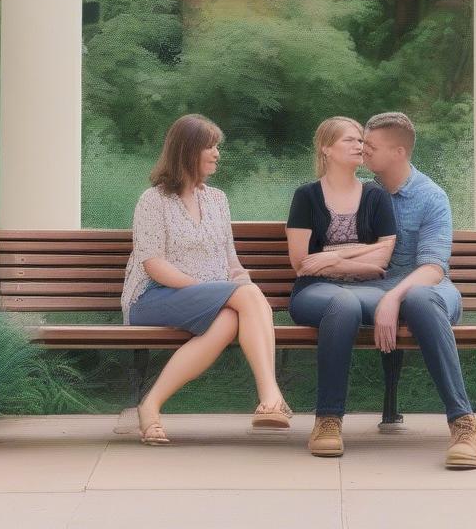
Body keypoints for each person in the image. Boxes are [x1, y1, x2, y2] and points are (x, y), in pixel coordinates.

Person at [121, 113, 292, 445]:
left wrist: (236, 280)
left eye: (217, 147)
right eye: (210, 147)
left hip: (210, 300)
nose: (217, 154)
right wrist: (208, 291)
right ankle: (271, 397)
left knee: (234, 312)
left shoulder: (217, 200)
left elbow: (229, 258)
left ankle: (150, 405)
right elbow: (153, 264)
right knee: (242, 297)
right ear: (187, 150)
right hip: (155, 297)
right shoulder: (153, 200)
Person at [361, 111, 476, 470]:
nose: (363, 151)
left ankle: (463, 423)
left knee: (420, 298)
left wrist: (393, 297)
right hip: (375, 290)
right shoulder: (362, 194)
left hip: (428, 289)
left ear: (398, 152)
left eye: (372, 146)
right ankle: (327, 419)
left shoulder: (431, 197)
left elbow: (432, 269)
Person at [285, 116, 397, 457]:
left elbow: (382, 261)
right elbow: (301, 263)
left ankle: (328, 417)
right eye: (350, 140)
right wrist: (361, 255)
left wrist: (332, 258)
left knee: (347, 301)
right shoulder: (306, 196)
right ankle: (328, 419)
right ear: (326, 148)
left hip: (367, 291)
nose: (359, 146)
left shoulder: (376, 196)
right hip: (312, 291)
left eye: (361, 141)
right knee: (342, 303)